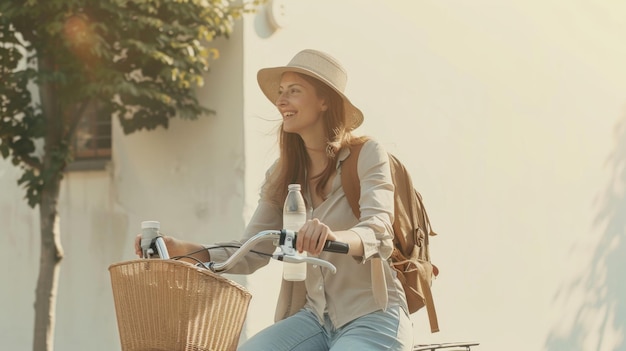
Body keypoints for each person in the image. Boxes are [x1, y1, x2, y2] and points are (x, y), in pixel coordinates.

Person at [134, 49, 413, 350]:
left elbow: (379, 231)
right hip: (316, 320)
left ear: (324, 101)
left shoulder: (367, 155)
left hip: (372, 317)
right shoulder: (283, 173)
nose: (281, 101)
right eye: (281, 92)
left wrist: (334, 236)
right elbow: (251, 249)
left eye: (294, 91)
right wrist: (186, 250)